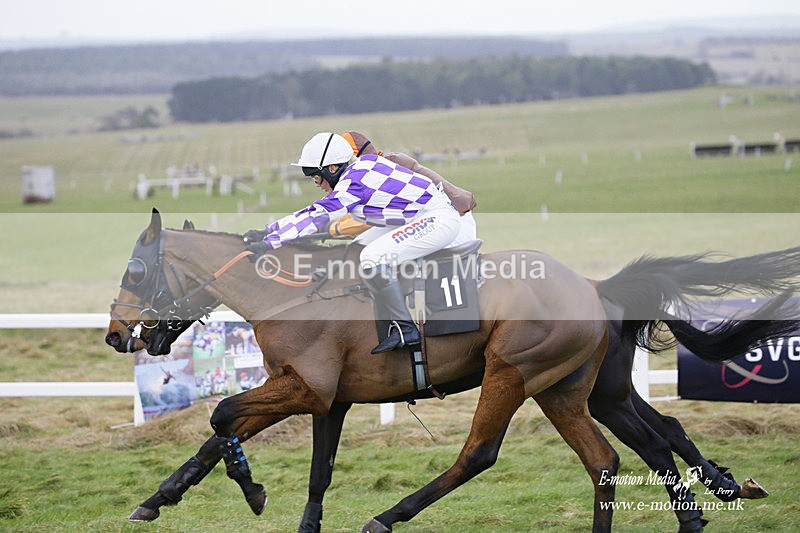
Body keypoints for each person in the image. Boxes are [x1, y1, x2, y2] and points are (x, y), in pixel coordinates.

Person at [245, 132, 462, 354]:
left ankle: (406, 329)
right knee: (357, 250)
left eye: (317, 177)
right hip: (421, 215)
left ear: (332, 168)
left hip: (437, 218)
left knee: (372, 257)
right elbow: (315, 212)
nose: (317, 184)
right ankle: (384, 321)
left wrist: (271, 242)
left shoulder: (354, 183)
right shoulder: (361, 167)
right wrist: (268, 231)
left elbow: (317, 215)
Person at [328, 131, 478, 245]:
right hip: (437, 223)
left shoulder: (385, 174)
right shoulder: (376, 172)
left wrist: (334, 229)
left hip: (453, 227)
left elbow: (370, 221)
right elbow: (352, 212)